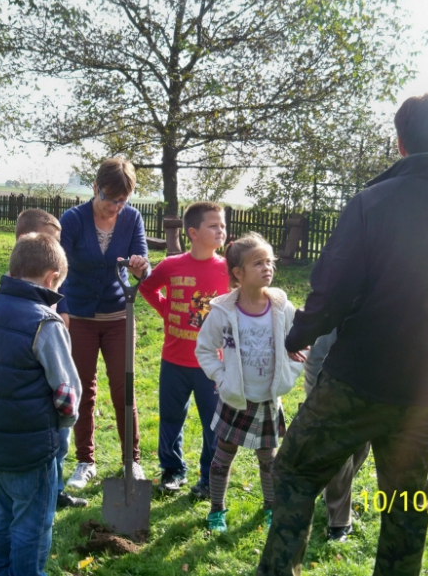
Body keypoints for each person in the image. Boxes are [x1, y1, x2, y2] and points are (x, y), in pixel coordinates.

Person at [257, 99, 428, 576]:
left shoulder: (371, 202)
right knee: (406, 499)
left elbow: (332, 288)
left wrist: (297, 334)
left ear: (400, 143)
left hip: (354, 383)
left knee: (294, 473)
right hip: (426, 390)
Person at [0, 233, 82, 576]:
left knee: (1, 514)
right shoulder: (46, 322)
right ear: (52, 279)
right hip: (33, 446)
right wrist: (65, 424)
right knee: (32, 525)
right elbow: (66, 392)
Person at [195, 233, 304, 532]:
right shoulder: (223, 312)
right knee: (223, 455)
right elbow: (204, 348)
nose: (267, 267)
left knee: (269, 458)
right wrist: (221, 377)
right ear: (238, 274)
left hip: (268, 399)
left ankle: (271, 507)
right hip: (236, 398)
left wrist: (289, 375)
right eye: (258, 263)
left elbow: (301, 345)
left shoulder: (283, 307)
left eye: (269, 261)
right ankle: (217, 510)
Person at [57, 157, 150, 490]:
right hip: (78, 315)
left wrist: (140, 266)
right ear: (95, 188)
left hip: (118, 316)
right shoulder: (73, 219)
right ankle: (85, 461)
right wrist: (63, 309)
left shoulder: (132, 218)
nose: (115, 207)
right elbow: (57, 270)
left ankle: (131, 462)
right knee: (83, 390)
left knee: (124, 390)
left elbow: (143, 266)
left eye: (122, 201)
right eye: (109, 198)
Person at [139, 201, 229, 497]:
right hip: (174, 361)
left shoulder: (228, 269)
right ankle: (172, 470)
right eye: (213, 225)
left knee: (212, 425)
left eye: (223, 225)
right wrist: (166, 311)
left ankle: (208, 478)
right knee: (170, 417)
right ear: (193, 232)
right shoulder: (171, 265)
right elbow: (147, 288)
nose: (221, 230)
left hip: (212, 365)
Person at [14, 208, 87, 510]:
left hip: (54, 367)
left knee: (61, 441)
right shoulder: (19, 283)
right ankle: (38, 494)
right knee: (46, 440)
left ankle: (54, 491)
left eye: (58, 242)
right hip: (34, 379)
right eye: (48, 241)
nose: (55, 249)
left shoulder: (54, 284)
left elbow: (65, 317)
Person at [302, 330, 370, 542]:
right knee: (339, 455)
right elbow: (314, 361)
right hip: (330, 394)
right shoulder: (343, 315)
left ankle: (332, 490)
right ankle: (339, 523)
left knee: (361, 448)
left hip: (369, 395)